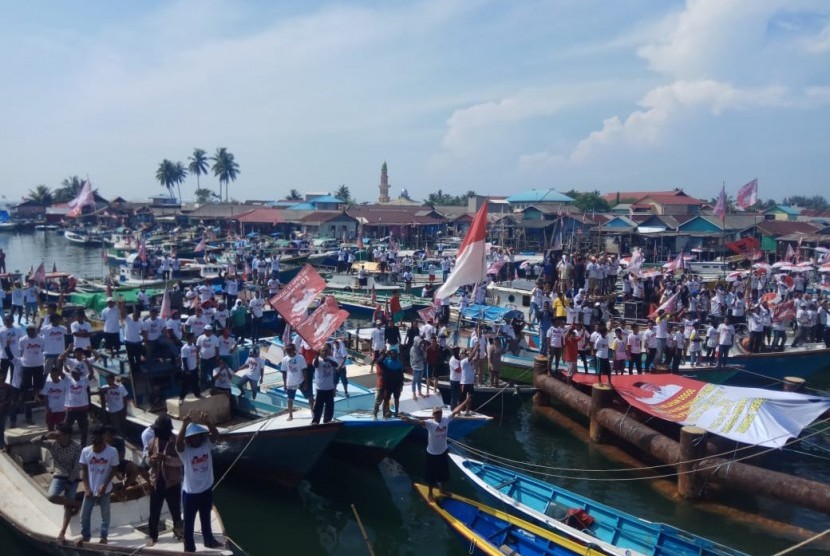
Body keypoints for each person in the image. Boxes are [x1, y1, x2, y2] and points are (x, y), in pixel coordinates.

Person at [400, 396, 471, 501]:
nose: (438, 415)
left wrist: (466, 400)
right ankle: (430, 493)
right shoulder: (430, 423)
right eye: (436, 413)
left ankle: (442, 490)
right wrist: (408, 420)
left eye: (440, 413)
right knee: (431, 475)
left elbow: (456, 411)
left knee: (443, 473)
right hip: (432, 454)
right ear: (433, 415)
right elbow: (419, 423)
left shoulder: (446, 419)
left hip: (442, 452)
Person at [176, 412, 223, 552]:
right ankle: (189, 548)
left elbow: (216, 435)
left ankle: (209, 540)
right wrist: (184, 425)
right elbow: (178, 443)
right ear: (189, 439)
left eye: (197, 436)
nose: (195, 439)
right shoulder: (185, 452)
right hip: (191, 493)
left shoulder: (206, 445)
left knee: (206, 517)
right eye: (192, 437)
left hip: (206, 489)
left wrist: (207, 422)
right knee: (189, 523)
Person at [32, 423, 82, 541]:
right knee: (51, 497)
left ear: (67, 435)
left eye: (60, 435)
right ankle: (78, 504)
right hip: (60, 475)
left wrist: (69, 483)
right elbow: (33, 441)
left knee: (68, 505)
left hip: (72, 477)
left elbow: (76, 467)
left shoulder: (76, 447)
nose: (57, 437)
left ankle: (63, 531)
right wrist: (45, 436)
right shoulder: (52, 444)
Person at [77, 425, 120, 546]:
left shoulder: (112, 451)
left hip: (105, 491)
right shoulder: (86, 451)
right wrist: (86, 488)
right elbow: (84, 470)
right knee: (84, 516)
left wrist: (105, 485)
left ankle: (104, 537)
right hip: (90, 490)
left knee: (105, 516)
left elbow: (114, 469)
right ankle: (86, 536)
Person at [146, 415, 183, 546]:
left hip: (172, 483)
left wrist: (165, 458)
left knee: (176, 511)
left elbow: (181, 462)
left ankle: (179, 533)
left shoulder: (177, 441)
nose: (155, 431)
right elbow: (148, 460)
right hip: (157, 482)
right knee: (154, 512)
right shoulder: (153, 442)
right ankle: (153, 536)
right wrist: (152, 460)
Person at [61, 346, 94, 446]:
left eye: (76, 373)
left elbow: (91, 373)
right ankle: (66, 444)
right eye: (73, 373)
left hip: (83, 409)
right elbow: (60, 362)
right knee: (66, 428)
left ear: (80, 374)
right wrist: (67, 350)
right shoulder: (67, 380)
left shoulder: (84, 380)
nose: (75, 374)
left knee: (84, 429)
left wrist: (87, 362)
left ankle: (83, 445)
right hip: (70, 409)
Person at [311, 344, 338, 424]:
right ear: (320, 352)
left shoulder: (331, 358)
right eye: (323, 351)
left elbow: (336, 365)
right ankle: (315, 420)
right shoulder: (317, 360)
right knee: (318, 405)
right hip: (320, 387)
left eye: (326, 350)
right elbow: (315, 365)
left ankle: (327, 419)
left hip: (329, 387)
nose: (325, 352)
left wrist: (328, 360)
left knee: (329, 405)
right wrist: (316, 356)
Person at [376, 346, 403, 419]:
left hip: (396, 385)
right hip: (388, 385)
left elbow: (401, 376)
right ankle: (384, 414)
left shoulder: (399, 363)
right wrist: (385, 353)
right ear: (389, 354)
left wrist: (401, 386)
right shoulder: (386, 361)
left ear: (396, 354)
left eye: (394, 353)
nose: (393, 354)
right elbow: (378, 361)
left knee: (396, 399)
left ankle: (396, 413)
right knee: (386, 399)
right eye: (391, 353)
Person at [281, 343, 306, 420]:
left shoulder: (300, 357)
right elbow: (284, 372)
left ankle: (313, 412)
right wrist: (284, 384)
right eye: (287, 350)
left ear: (293, 350)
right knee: (290, 399)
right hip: (290, 382)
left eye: (289, 350)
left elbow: (304, 370)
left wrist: (305, 382)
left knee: (309, 396)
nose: (288, 352)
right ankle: (290, 415)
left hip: (301, 381)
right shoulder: (285, 359)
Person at [179, 333, 201, 402]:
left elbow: (195, 355)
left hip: (194, 368)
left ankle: (197, 394)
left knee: (195, 382)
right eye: (193, 338)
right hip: (187, 370)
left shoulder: (193, 346)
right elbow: (184, 360)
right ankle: (181, 398)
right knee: (185, 385)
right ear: (190, 339)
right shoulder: (184, 348)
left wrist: (197, 363)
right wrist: (187, 370)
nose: (194, 339)